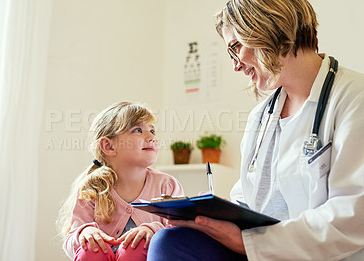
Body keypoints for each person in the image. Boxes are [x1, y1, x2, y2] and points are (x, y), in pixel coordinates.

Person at [147, 0, 364, 260]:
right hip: (257, 250)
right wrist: (206, 216)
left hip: (318, 254)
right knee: (171, 241)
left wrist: (248, 243)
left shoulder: (354, 98)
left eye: (236, 47)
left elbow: (353, 218)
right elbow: (247, 200)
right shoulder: (260, 118)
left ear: (267, 27)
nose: (236, 65)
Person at [57, 102, 184, 261]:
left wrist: (152, 229)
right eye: (138, 130)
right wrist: (84, 233)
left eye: (152, 131)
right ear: (108, 146)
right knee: (90, 250)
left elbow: (179, 232)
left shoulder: (167, 185)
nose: (151, 137)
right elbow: (71, 241)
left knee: (140, 246)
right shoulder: (92, 189)